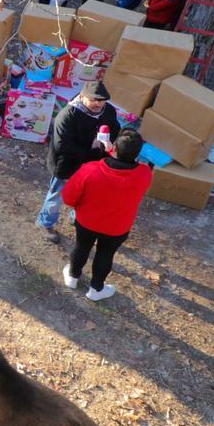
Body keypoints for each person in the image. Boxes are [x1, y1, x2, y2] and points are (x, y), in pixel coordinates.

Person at [60, 129, 153, 301]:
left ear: (115, 146)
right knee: (106, 254)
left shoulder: (90, 170)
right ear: (139, 153)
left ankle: (72, 277)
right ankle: (96, 289)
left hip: (87, 221)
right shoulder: (145, 173)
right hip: (118, 227)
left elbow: (68, 197)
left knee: (82, 247)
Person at [37, 80, 120, 243]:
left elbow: (115, 129)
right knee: (56, 197)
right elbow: (63, 146)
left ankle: (77, 219)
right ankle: (45, 223)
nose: (98, 104)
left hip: (93, 166)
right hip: (67, 165)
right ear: (82, 97)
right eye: (94, 100)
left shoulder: (107, 111)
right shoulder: (68, 115)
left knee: (84, 196)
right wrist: (94, 150)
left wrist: (110, 143)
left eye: (102, 100)